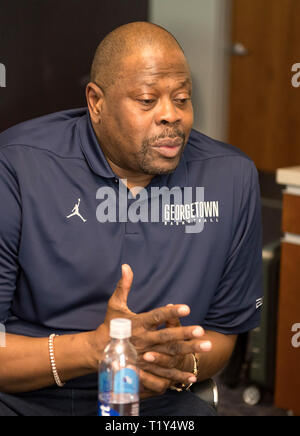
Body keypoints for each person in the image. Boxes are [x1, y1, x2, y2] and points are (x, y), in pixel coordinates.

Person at [0, 22, 262, 416]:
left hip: (158, 399)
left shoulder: (231, 178)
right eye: (146, 99)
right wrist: (95, 350)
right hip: (30, 397)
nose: (170, 115)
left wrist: (167, 364)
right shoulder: (19, 166)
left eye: (183, 98)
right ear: (96, 102)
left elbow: (223, 334)